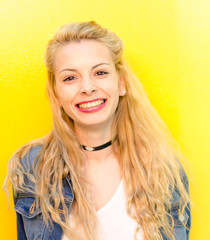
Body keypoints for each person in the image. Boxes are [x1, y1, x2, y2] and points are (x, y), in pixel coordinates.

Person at [4, 21, 190, 240]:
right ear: (55, 93)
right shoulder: (32, 167)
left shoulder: (163, 170)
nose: (87, 88)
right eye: (70, 77)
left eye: (100, 72)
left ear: (121, 84)